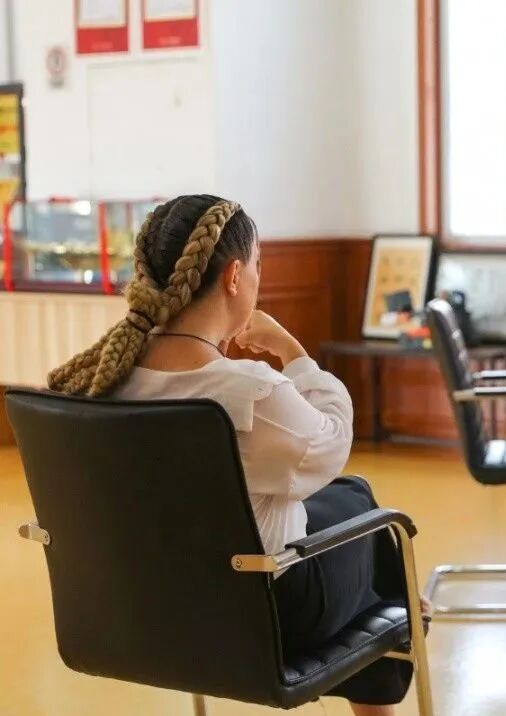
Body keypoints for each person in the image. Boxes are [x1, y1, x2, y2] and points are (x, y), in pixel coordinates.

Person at [48, 195, 422, 715]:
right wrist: (292, 352)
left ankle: (398, 602)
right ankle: (404, 610)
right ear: (234, 276)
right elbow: (333, 442)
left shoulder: (101, 382)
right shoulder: (249, 394)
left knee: (350, 500)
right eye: (258, 265)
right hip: (260, 617)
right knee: (368, 520)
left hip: (139, 612)